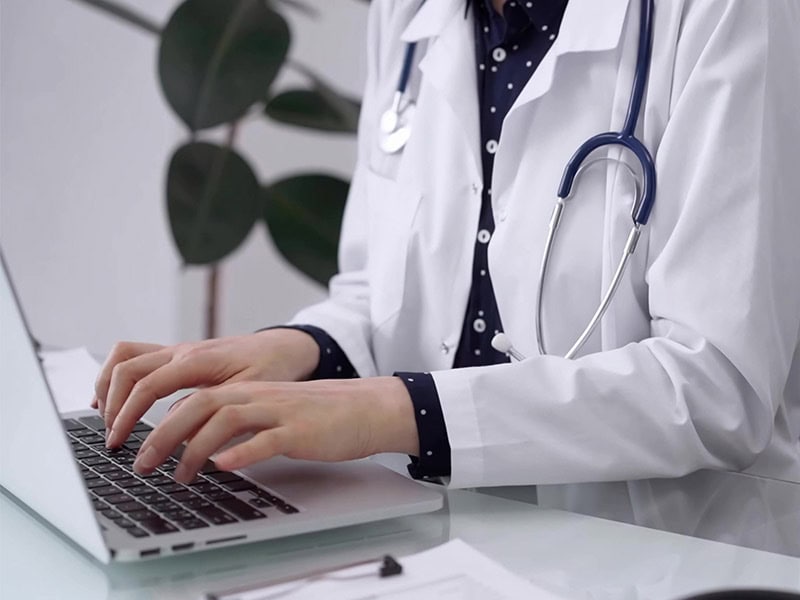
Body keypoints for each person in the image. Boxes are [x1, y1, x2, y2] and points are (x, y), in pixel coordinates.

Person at [93, 0, 800, 509]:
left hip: (659, 548)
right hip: (447, 528)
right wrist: (297, 352)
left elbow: (716, 386)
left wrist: (398, 411)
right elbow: (373, 292)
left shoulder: (726, 12)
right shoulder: (406, 17)